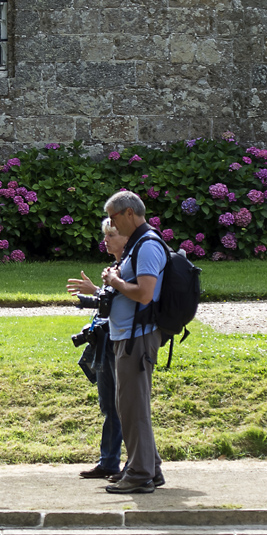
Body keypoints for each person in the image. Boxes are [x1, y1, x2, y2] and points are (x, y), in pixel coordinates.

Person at [99, 190, 166, 494]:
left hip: (137, 339)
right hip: (129, 336)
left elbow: (145, 293)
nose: (110, 223)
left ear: (128, 213)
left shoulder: (148, 246)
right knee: (130, 405)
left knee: (133, 408)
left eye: (113, 217)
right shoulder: (137, 245)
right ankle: (151, 468)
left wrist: (115, 281)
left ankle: (140, 474)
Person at [66, 218, 126, 480]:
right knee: (109, 406)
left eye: (111, 235)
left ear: (125, 236)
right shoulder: (116, 267)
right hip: (106, 343)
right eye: (105, 235)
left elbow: (124, 304)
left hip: (121, 343)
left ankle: (137, 466)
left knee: (125, 407)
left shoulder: (131, 265)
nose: (106, 240)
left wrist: (96, 292)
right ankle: (109, 462)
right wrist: (91, 295)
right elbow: (109, 302)